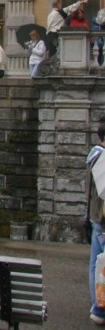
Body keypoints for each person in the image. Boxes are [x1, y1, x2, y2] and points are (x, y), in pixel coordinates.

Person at [86, 120, 105, 326]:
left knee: (95, 264)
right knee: (102, 265)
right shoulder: (103, 158)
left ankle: (97, 305)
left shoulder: (93, 155)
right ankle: (100, 307)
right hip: (103, 220)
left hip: (95, 217)